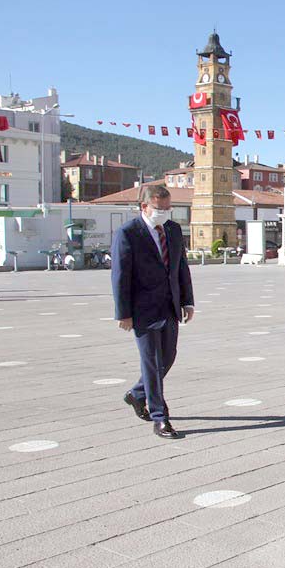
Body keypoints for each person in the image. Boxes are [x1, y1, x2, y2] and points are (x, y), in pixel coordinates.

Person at [111, 184, 195, 439]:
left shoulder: (173, 229)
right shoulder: (128, 233)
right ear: (144, 207)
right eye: (160, 209)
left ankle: (137, 394)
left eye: (168, 208)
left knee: (168, 357)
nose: (165, 213)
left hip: (169, 305)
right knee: (152, 362)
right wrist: (123, 313)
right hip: (142, 309)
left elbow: (181, 267)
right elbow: (120, 275)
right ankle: (160, 418)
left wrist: (187, 301)